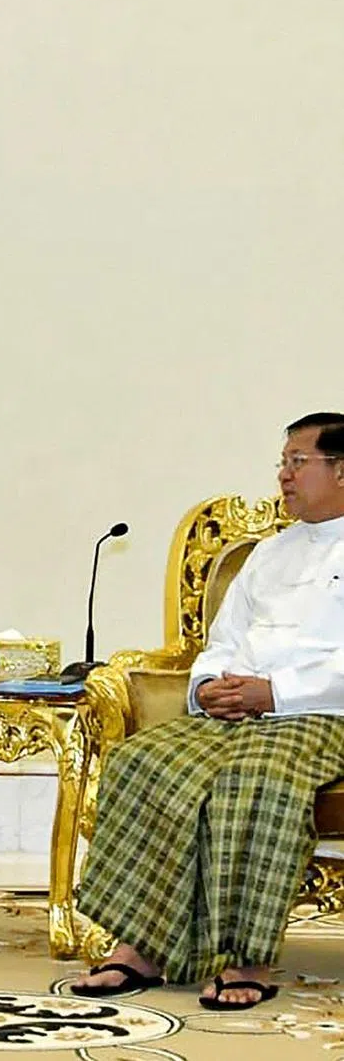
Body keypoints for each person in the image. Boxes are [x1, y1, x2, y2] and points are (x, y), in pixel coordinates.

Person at [71, 411, 344, 1011]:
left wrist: (274, 693)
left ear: (342, 470)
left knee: (256, 781)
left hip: (322, 714)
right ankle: (140, 946)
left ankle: (247, 957)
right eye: (283, 463)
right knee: (144, 761)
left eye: (298, 463)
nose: (284, 476)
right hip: (237, 709)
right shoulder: (269, 554)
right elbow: (221, 641)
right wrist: (207, 688)